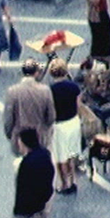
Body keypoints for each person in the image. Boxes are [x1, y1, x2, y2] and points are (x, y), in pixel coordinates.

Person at [12, 128, 54, 218]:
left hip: (28, 206)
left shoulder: (25, 164)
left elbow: (22, 188)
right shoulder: (45, 154)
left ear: (24, 143)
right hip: (44, 200)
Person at [3, 59, 56, 155]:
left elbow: (8, 118)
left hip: (20, 137)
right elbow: (51, 117)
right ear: (36, 73)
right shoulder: (45, 90)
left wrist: (10, 135)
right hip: (40, 136)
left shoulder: (12, 91)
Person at [47, 59, 81, 195]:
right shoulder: (74, 87)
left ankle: (64, 183)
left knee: (60, 157)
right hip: (73, 122)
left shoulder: (50, 90)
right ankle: (73, 180)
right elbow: (78, 106)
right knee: (71, 154)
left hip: (59, 125)